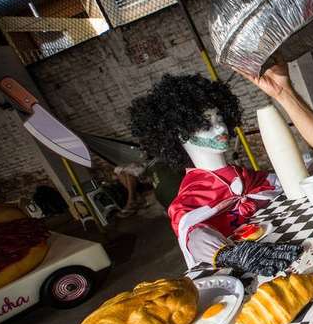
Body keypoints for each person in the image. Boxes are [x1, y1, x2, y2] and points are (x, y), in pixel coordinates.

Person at [129, 74, 302, 276]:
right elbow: (193, 236)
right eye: (205, 124)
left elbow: (284, 180)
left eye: (219, 118)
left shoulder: (243, 175)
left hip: (286, 250)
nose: (220, 127)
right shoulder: (189, 199)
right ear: (179, 133)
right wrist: (231, 254)